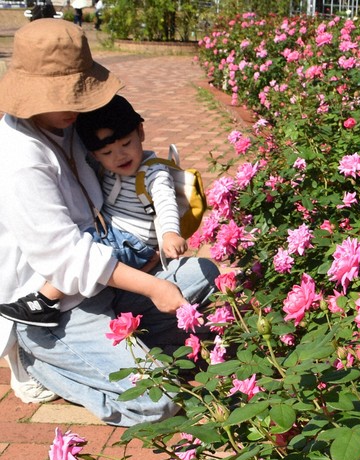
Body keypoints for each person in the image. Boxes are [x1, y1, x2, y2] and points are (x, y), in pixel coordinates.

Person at [0, 19, 220, 426]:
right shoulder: (21, 161)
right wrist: (153, 286)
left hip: (102, 281)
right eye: (66, 94)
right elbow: (67, 258)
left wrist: (159, 196)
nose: (77, 103)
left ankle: (118, 353)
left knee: (202, 273)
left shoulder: (65, 123)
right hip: (55, 309)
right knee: (158, 400)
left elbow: (124, 158)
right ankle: (41, 363)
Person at [0, 94, 189, 327]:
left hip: (131, 241)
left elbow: (165, 202)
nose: (119, 156)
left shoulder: (153, 172)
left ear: (140, 132)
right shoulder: (105, 168)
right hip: (116, 235)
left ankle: (46, 299)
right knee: (85, 246)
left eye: (126, 144)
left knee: (86, 248)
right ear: (94, 154)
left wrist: (170, 232)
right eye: (107, 153)